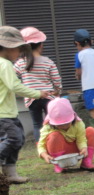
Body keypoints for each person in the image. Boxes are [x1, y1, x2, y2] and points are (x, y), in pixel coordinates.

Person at [0, 26, 54, 184]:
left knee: (18, 138)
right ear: (8, 48)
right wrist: (37, 93)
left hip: (8, 112)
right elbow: (15, 86)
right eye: (18, 50)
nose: (19, 55)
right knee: (14, 139)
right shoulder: (4, 64)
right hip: (3, 114)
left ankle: (10, 174)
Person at [14, 27, 62, 143]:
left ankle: (41, 147)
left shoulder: (21, 62)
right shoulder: (48, 61)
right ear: (40, 45)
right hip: (48, 97)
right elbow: (56, 79)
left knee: (37, 124)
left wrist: (23, 87)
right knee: (50, 123)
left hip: (32, 98)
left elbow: (11, 76)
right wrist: (58, 90)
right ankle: (53, 144)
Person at [38, 97, 94, 173]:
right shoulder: (47, 127)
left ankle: (86, 162)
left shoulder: (78, 123)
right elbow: (41, 145)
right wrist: (44, 155)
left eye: (66, 123)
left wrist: (83, 148)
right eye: (60, 125)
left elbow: (81, 139)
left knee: (91, 131)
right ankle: (59, 165)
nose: (64, 126)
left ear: (72, 119)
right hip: (57, 152)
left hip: (76, 152)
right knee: (54, 135)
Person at [73, 29, 94, 135]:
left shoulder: (79, 55)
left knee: (92, 109)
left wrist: (77, 76)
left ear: (77, 43)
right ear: (90, 41)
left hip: (90, 86)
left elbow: (78, 72)